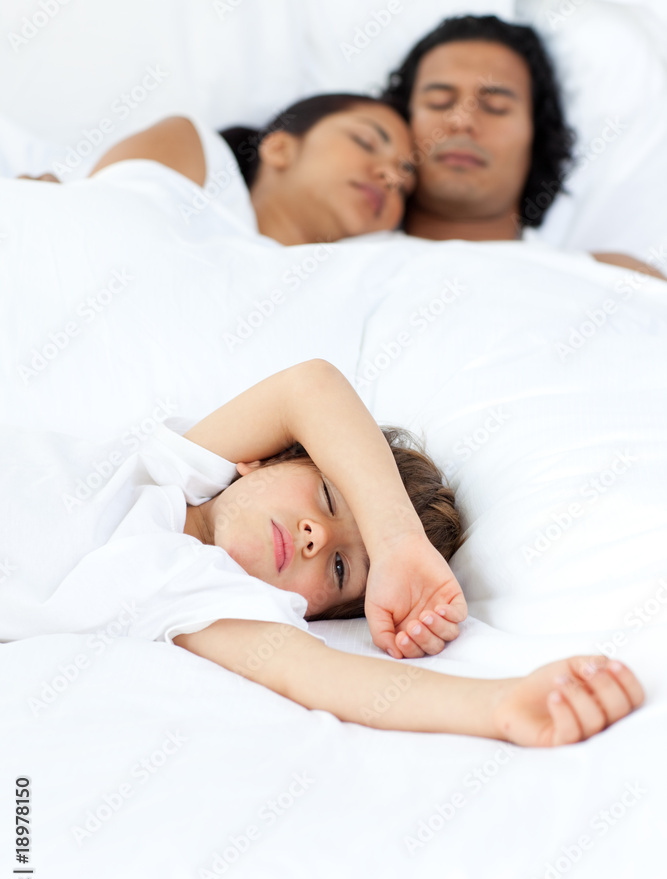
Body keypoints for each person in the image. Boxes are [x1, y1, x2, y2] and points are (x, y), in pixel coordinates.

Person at [0, 360, 644, 746]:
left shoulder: (201, 595)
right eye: (329, 499)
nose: (315, 536)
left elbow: (333, 680)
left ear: (305, 611)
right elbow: (309, 387)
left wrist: (500, 705)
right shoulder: (171, 467)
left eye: (340, 568)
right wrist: (396, 544)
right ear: (259, 460)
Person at [383, 14, 665, 279]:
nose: (462, 121)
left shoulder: (618, 279)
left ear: (537, 137)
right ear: (397, 121)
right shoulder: (345, 258)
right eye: (439, 102)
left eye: (496, 108)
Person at [20, 94, 417, 246]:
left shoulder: (362, 273)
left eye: (406, 183)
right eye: (366, 142)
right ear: (279, 147)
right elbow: (94, 233)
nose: (391, 177)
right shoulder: (194, 153)